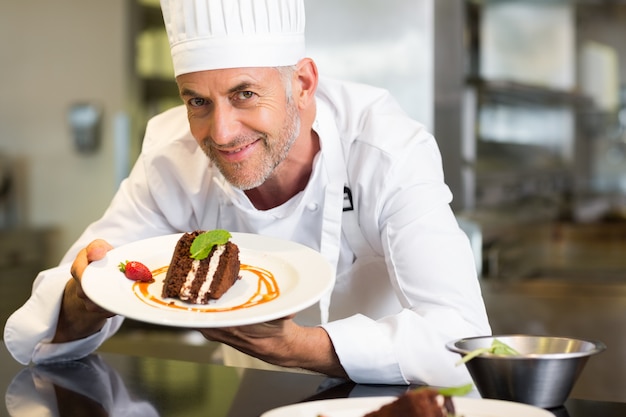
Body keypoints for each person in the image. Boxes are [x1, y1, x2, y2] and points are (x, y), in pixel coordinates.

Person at [4, 0, 491, 386]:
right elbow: (45, 337)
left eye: (244, 94)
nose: (221, 132)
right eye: (198, 101)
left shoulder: (386, 152)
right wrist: (86, 298)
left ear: (302, 84)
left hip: (392, 397)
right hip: (253, 398)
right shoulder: (172, 158)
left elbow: (464, 339)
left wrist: (297, 346)